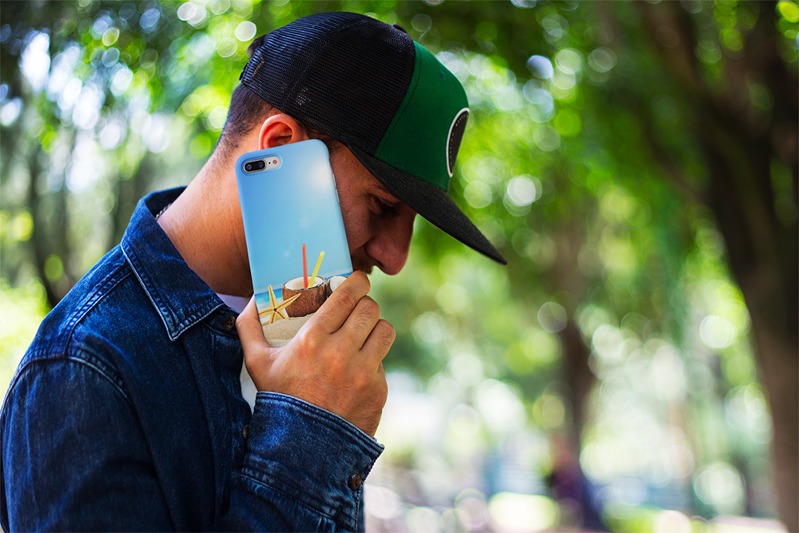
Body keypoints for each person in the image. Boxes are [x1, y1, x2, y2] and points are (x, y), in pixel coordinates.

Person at [0, 11, 506, 531]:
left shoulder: (303, 333)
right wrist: (310, 431)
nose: (395, 258)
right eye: (382, 205)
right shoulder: (82, 369)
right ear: (281, 147)